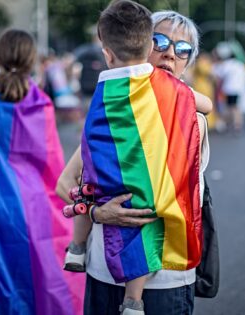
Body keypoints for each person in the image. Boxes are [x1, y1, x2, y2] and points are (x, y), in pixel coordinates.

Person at [57, 6, 211, 315]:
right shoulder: (113, 111)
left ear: (188, 63)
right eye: (160, 42)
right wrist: (98, 212)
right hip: (102, 272)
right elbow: (66, 182)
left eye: (183, 49)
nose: (170, 54)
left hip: (167, 280)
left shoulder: (189, 114)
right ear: (141, 47)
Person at [0, 29, 84, 314]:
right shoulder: (42, 105)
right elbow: (52, 166)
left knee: (1, 282)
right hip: (37, 208)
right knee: (40, 281)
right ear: (31, 61)